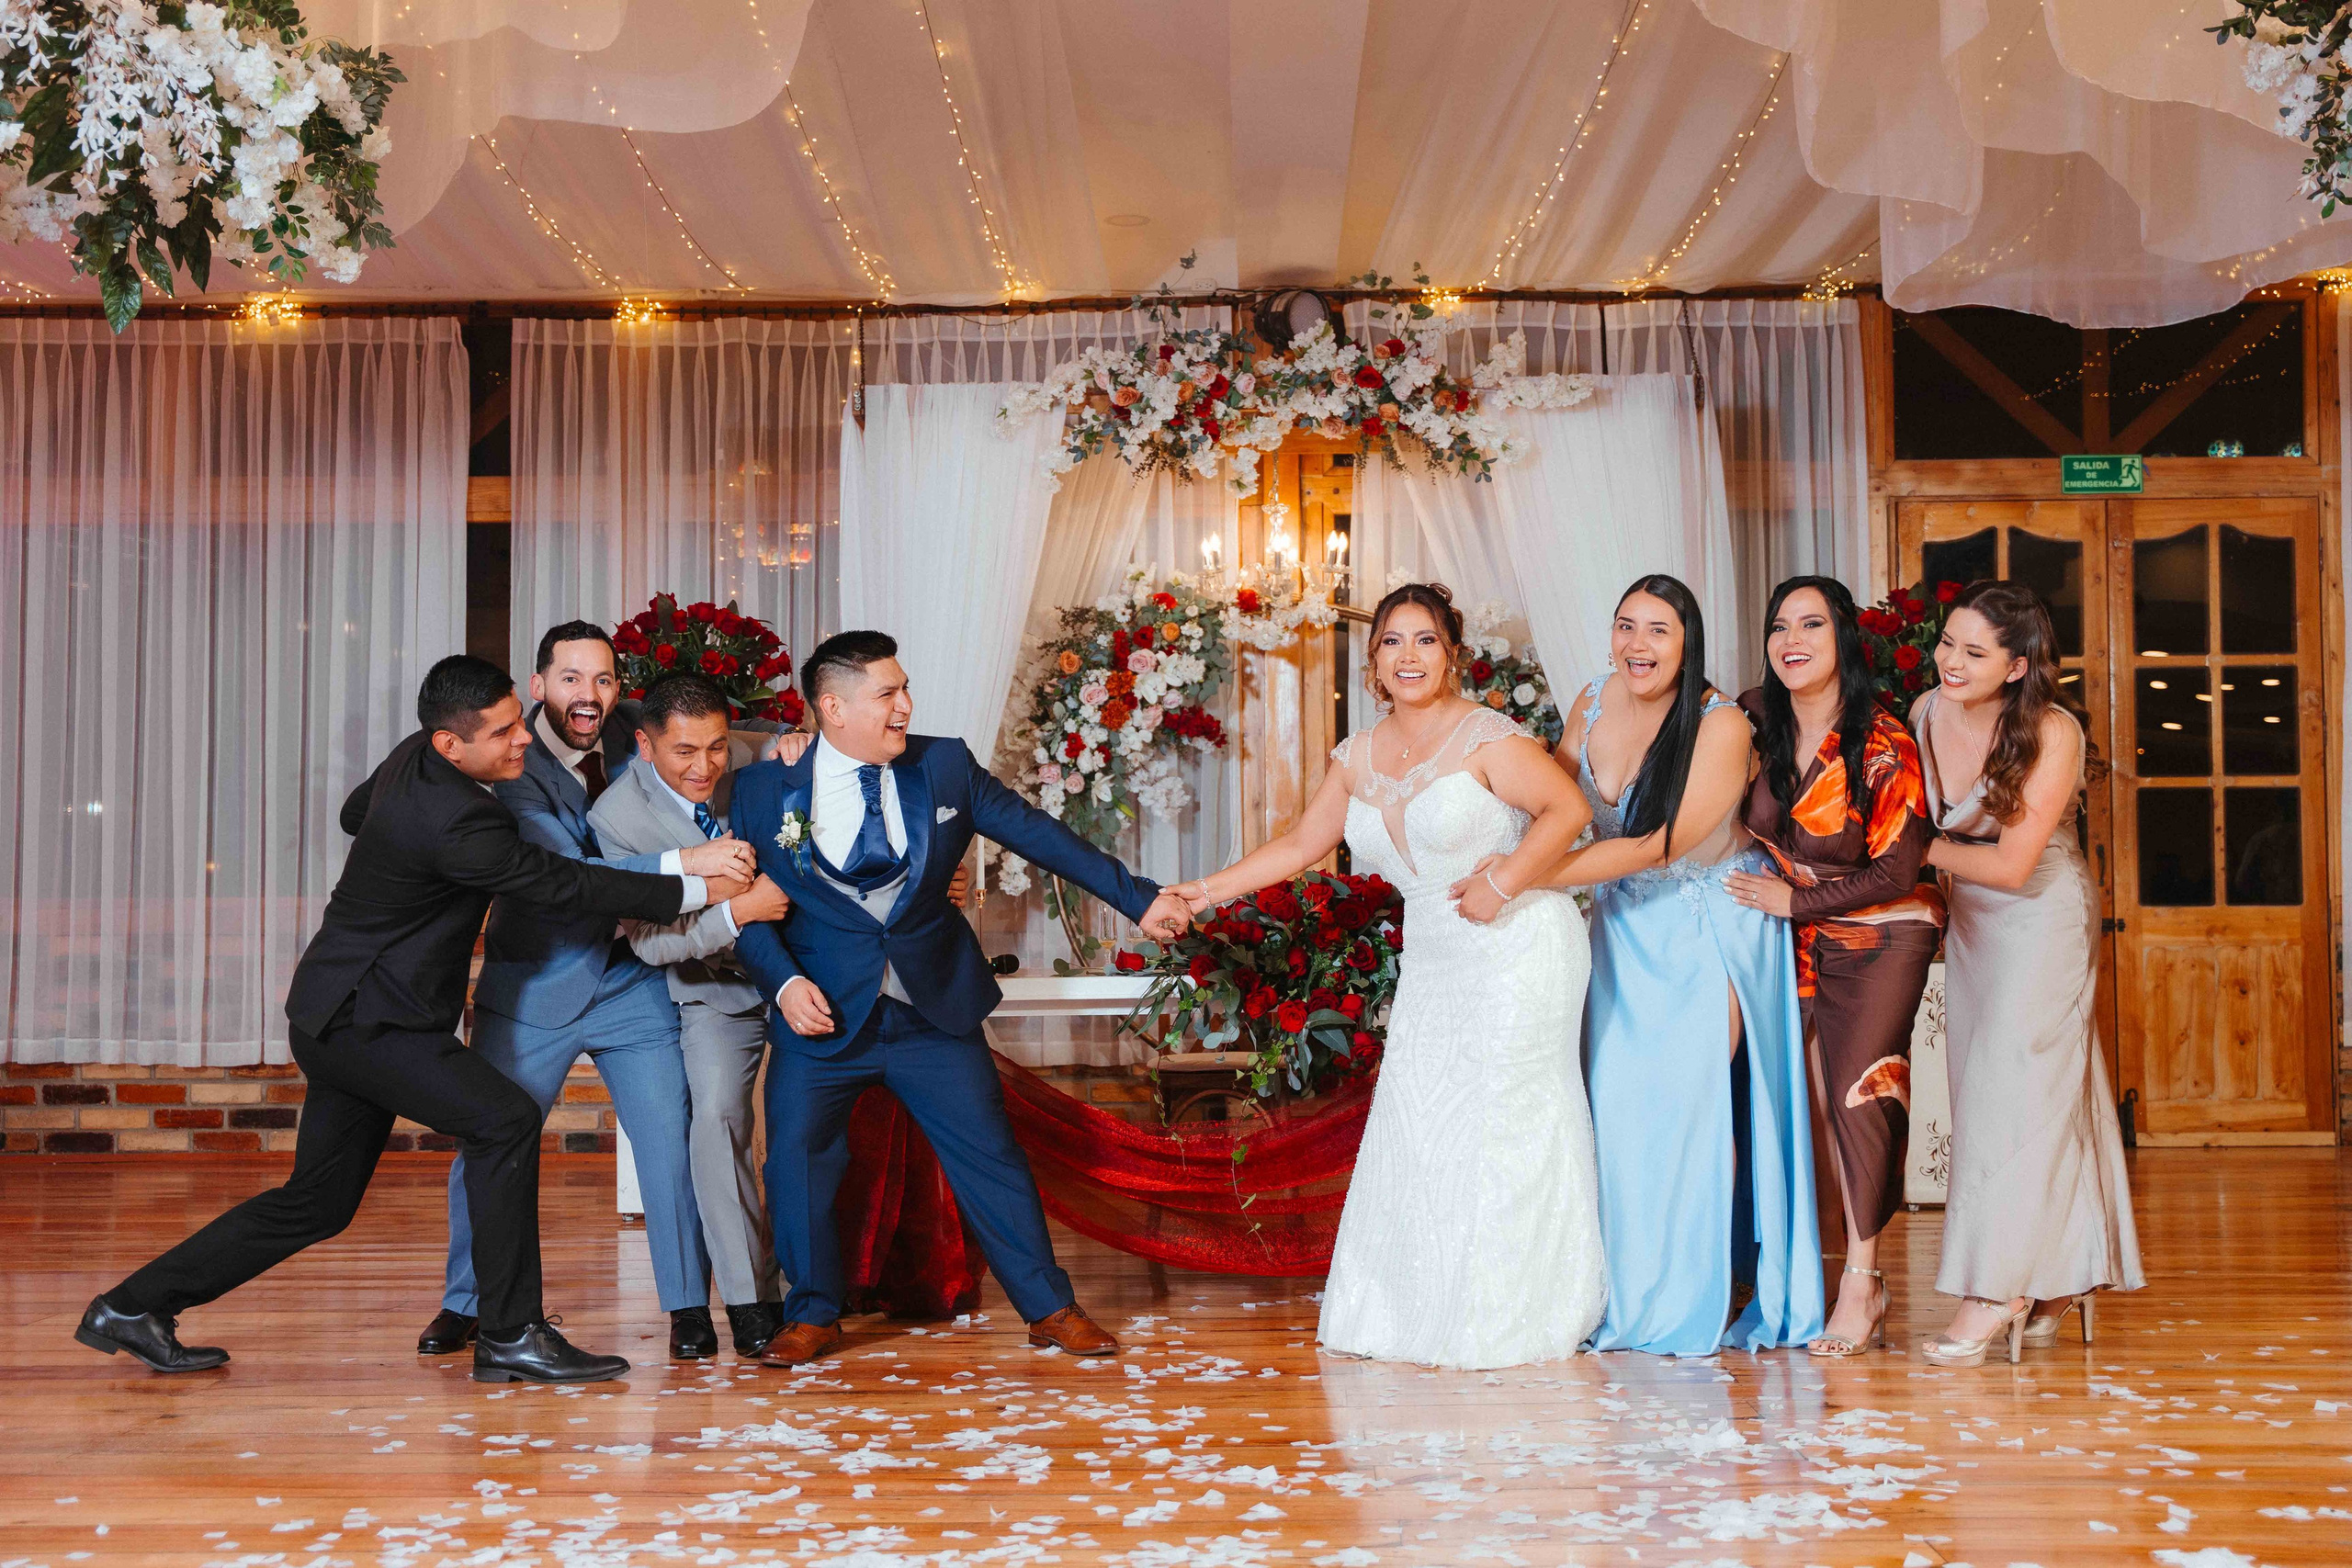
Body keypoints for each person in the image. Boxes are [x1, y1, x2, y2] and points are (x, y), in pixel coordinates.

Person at [75, 656, 721, 1383]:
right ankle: (512, 1332)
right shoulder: (461, 819)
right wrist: (697, 884)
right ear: (451, 744)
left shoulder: (416, 757)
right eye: (504, 732)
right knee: (505, 1118)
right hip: (372, 1023)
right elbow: (560, 883)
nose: (523, 739)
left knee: (318, 1201)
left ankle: (133, 1306)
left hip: (334, 1011)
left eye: (517, 721)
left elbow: (356, 812)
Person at [728, 630, 1194, 1366]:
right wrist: (784, 984)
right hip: (819, 1014)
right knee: (795, 1161)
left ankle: (1050, 1309)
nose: (906, 706)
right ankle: (812, 1313)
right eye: (887, 693)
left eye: (905, 688)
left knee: (992, 1157)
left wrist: (1139, 898)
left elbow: (1042, 836)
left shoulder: (942, 765)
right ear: (833, 707)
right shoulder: (762, 788)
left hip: (931, 1010)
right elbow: (745, 909)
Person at [1171, 582, 1605, 1370]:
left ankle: (1513, 1306)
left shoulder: (1486, 735)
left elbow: (1568, 810)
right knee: (1422, 1118)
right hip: (1436, 954)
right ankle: (1417, 1305)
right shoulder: (1356, 755)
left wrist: (1504, 878)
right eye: (1393, 642)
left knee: (1501, 1116)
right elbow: (1300, 845)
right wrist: (1203, 890)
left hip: (1519, 942)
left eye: (1425, 640)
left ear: (1451, 654)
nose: (1409, 656)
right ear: (1373, 662)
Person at [415, 623, 753, 1365]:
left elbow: (718, 736)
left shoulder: (635, 727)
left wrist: (793, 744)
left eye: (602, 679)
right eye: (571, 678)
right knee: (490, 1144)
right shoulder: (508, 764)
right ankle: (466, 1300)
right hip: (535, 983)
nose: (588, 695)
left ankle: (687, 1304)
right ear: (537, 686)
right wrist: (691, 860)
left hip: (632, 978)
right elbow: (572, 871)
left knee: (669, 1140)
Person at [1532, 573, 1824, 1357]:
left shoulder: (1721, 724)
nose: (1639, 644)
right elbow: (1550, 805)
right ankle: (1619, 1292)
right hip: (1621, 929)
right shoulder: (1591, 701)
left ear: (1687, 642)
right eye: (1626, 625)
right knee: (1616, 1112)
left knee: (1685, 1113)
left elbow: (1662, 844)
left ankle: (1683, 1301)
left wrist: (1523, 877)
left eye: (1658, 629)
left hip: (1707, 924)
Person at [1910, 581, 2143, 1366]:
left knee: (2008, 1094)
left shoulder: (2051, 729)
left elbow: (2011, 865)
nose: (1951, 661)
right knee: (2018, 1094)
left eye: (1974, 652)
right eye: (1948, 642)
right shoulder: (1925, 711)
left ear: (2016, 666)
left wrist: (1905, 850)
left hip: (2041, 916)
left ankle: (1997, 1285)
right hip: (1973, 923)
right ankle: (2059, 1277)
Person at [1725, 577, 1944, 1359]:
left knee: (1859, 1093)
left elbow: (1899, 868)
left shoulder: (1883, 740)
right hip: (1788, 932)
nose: (1793, 640)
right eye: (1780, 625)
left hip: (1882, 933)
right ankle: (1794, 1270)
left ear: (1843, 637)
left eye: (1811, 624)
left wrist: (1794, 902)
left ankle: (1863, 1280)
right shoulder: (1753, 717)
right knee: (1802, 1102)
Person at [589, 673, 795, 1359]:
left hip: (803, 973)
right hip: (712, 986)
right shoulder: (615, 819)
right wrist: (736, 911)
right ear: (645, 746)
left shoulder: (756, 754)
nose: (705, 767)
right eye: (684, 752)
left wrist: (799, 741)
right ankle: (749, 1299)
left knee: (810, 1122)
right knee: (714, 1119)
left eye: (716, 747)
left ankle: (817, 1283)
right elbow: (653, 944)